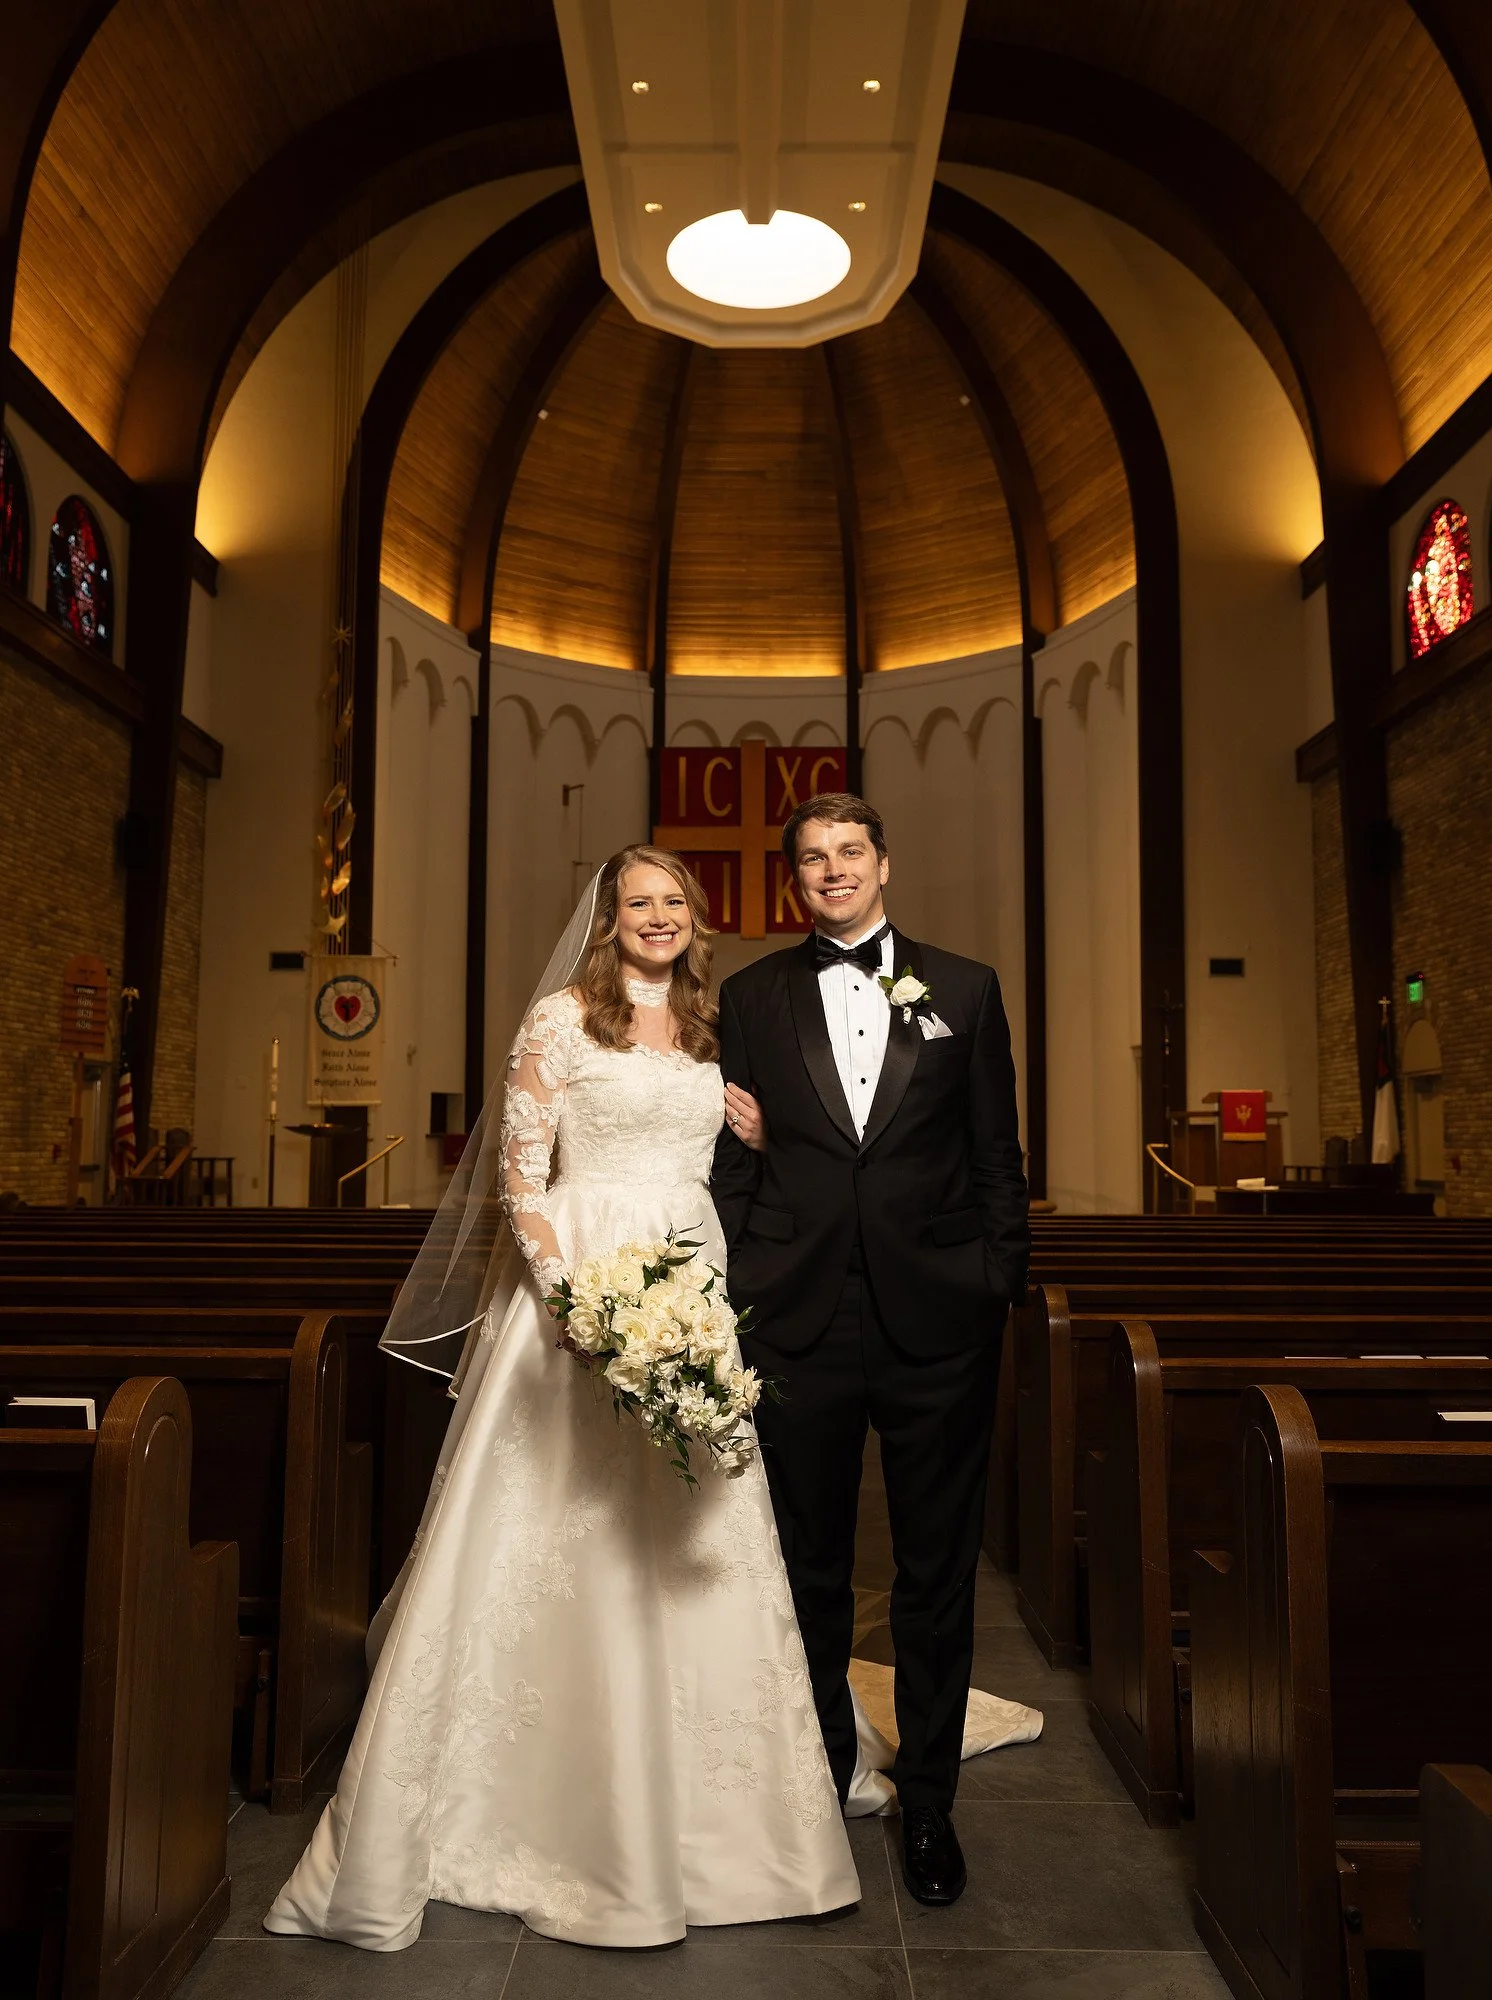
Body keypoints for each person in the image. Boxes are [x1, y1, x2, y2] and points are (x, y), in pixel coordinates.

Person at [264, 845, 859, 1950]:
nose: (658, 916)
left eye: (674, 900)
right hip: (581, 1282)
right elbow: (519, 1177)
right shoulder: (557, 1019)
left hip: (693, 1271)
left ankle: (722, 1807)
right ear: (608, 917)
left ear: (695, 915)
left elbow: (739, 1154)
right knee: (557, 1524)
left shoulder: (715, 1025)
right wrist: (574, 1303)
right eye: (638, 901)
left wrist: (764, 1140)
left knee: (698, 1524)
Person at [711, 793, 1029, 1906]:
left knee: (938, 1571)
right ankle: (821, 1783)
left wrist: (997, 1282)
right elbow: (734, 1156)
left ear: (884, 862)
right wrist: (743, 1276)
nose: (832, 870)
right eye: (811, 858)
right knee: (808, 1567)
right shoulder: (750, 996)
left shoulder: (968, 986)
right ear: (792, 879)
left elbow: (998, 1152)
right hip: (800, 1313)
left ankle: (931, 1803)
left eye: (851, 851)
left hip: (940, 1316)